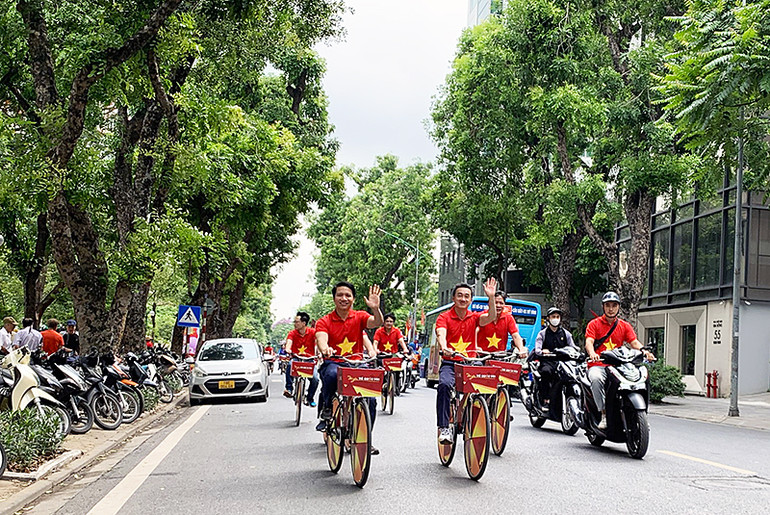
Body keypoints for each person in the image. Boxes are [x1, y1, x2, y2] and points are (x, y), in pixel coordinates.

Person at [315, 282, 383, 454]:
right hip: (334, 362)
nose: (344, 298)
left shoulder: (359, 316)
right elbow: (321, 340)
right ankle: (328, 408)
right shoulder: (324, 321)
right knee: (330, 375)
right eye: (340, 295)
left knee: (372, 399)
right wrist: (325, 349)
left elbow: (377, 322)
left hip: (356, 364)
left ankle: (365, 438)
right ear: (334, 298)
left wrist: (375, 308)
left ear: (353, 299)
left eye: (348, 295)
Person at [436, 278, 498, 445]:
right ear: (453, 298)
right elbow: (441, 334)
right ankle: (444, 428)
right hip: (450, 363)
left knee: (488, 381)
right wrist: (444, 347)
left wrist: (491, 297)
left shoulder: (474, 317)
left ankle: (478, 415)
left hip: (471, 363)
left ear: (471, 300)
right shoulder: (444, 317)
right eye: (460, 296)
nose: (463, 299)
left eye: (467, 296)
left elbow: (491, 316)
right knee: (444, 385)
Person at [585, 291, 654, 430]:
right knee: (596, 378)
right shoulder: (594, 324)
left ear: (618, 307)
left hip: (619, 366)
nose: (611, 308)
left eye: (614, 305)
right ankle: (603, 413)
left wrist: (645, 352)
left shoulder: (624, 325)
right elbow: (589, 342)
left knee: (640, 378)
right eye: (608, 305)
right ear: (603, 307)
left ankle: (640, 416)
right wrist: (592, 353)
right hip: (599, 365)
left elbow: (634, 342)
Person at [534, 307, 578, 406]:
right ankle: (545, 399)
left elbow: (573, 347)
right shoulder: (542, 334)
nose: (555, 319)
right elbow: (537, 349)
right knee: (546, 372)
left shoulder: (566, 334)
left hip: (563, 363)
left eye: (557, 316)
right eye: (553, 316)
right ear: (548, 318)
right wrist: (542, 352)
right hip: (547, 362)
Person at [283, 311, 319, 407]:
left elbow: (318, 344)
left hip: (309, 360)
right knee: (290, 365)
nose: (295, 324)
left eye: (297, 322)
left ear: (304, 323)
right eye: (294, 322)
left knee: (315, 379)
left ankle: (310, 397)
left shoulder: (313, 332)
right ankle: (289, 389)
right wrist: (288, 349)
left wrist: (319, 353)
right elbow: (289, 343)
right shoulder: (292, 333)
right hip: (296, 359)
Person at [476, 290, 528, 357]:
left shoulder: (508, 318)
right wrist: (475, 347)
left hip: (500, 356)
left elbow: (515, 335)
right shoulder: (482, 316)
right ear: (490, 303)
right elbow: (474, 332)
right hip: (481, 355)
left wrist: (521, 349)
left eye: (501, 303)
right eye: (495, 303)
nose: (498, 305)